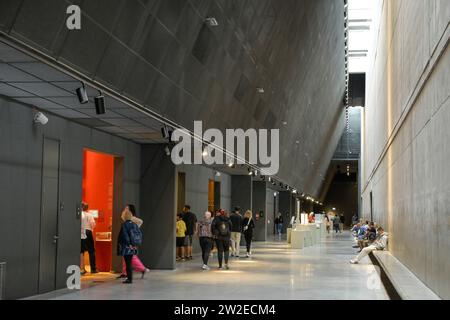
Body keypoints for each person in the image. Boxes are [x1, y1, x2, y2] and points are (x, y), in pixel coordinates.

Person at [117, 204, 150, 279]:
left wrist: (135, 228)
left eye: (127, 208)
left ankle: (143, 269)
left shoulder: (132, 219)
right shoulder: (127, 218)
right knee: (125, 257)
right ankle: (125, 272)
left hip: (130, 241)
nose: (125, 209)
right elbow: (122, 216)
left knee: (132, 257)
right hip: (128, 240)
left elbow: (140, 221)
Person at [117, 209, 142, 284]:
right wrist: (134, 244)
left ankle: (129, 279)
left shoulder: (124, 225)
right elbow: (139, 234)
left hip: (127, 246)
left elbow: (125, 236)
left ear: (124, 216)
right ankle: (129, 278)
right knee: (129, 263)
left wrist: (129, 244)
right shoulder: (134, 224)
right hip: (133, 246)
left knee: (128, 263)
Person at [80, 202, 97, 274]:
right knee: (91, 251)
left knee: (81, 251)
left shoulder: (80, 214)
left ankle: (82, 268)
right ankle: (93, 269)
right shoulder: (90, 215)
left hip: (81, 232)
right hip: (88, 232)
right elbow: (93, 224)